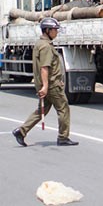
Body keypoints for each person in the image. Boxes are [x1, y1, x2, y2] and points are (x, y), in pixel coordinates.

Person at [12, 17, 79, 147]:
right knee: (63, 108)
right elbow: (44, 67)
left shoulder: (39, 44)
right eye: (55, 30)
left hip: (46, 85)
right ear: (47, 30)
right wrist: (46, 86)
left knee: (42, 110)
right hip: (52, 85)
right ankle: (63, 137)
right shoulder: (46, 46)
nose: (56, 32)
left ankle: (21, 131)